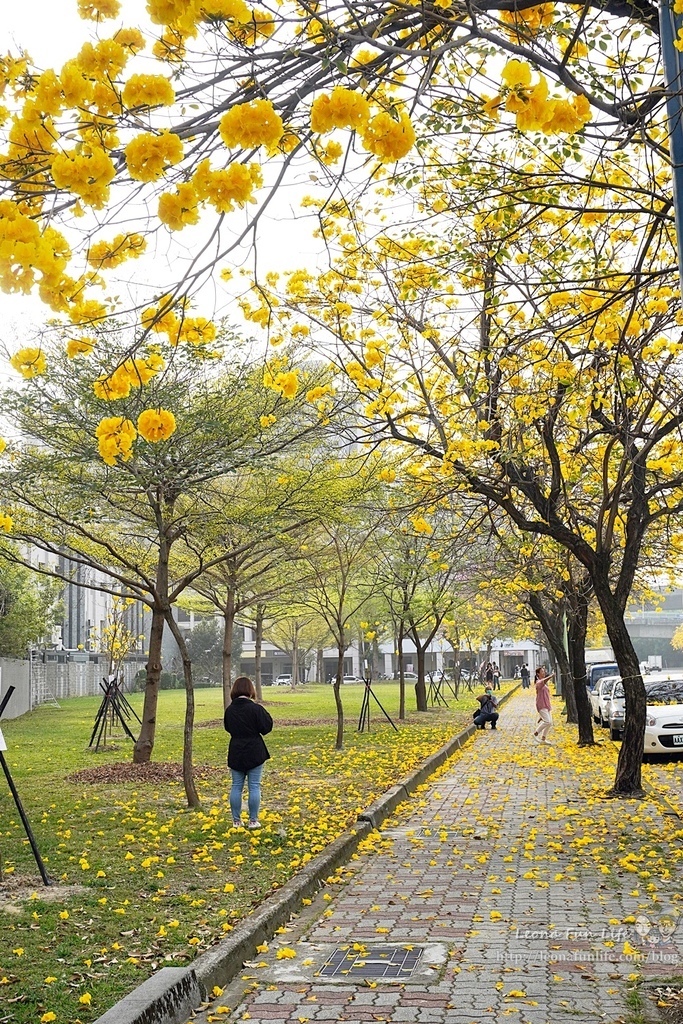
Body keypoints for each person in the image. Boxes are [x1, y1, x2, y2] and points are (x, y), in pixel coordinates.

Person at [223, 676, 273, 829]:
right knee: (254, 786)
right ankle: (253, 820)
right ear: (251, 690)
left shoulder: (230, 710)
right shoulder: (256, 709)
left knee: (236, 786)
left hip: (236, 749)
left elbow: (228, 728)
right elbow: (267, 727)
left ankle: (236, 821)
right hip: (255, 750)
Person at [534, 666, 554, 744]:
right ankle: (536, 733)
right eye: (542, 672)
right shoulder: (538, 682)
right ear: (538, 674)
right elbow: (544, 681)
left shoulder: (543, 684)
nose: (544, 673)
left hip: (547, 705)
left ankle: (543, 739)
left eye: (544, 671)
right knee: (548, 721)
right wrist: (551, 676)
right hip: (541, 704)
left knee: (550, 722)